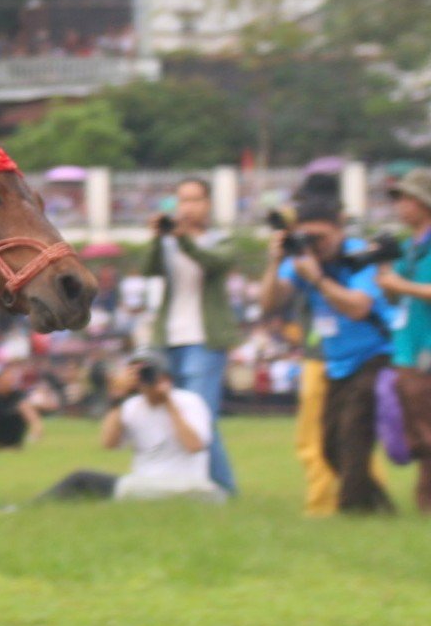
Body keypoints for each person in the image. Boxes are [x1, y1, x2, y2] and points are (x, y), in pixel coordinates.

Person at [259, 191, 396, 514]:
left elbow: (359, 307)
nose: (315, 244)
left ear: (340, 231)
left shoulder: (361, 255)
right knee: (329, 448)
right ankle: (379, 508)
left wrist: (318, 279)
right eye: (307, 236)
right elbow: (269, 304)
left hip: (376, 356)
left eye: (321, 237)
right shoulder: (304, 259)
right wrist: (275, 262)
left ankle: (353, 512)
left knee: (352, 436)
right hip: (338, 364)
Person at [142, 177, 239, 495]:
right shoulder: (170, 241)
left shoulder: (221, 240)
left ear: (208, 203)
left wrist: (183, 240)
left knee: (200, 415)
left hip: (205, 339)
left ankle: (222, 487)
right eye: (182, 200)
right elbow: (149, 269)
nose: (188, 207)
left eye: (195, 200)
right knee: (173, 415)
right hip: (169, 337)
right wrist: (158, 238)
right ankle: (190, 484)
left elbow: (215, 263)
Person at [40, 354, 226, 503]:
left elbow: (195, 446)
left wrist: (168, 402)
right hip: (144, 483)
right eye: (135, 373)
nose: (143, 379)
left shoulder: (188, 401)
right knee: (81, 480)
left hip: (186, 484)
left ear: (165, 376)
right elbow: (108, 444)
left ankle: (29, 508)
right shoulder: (130, 406)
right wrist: (116, 398)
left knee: (82, 479)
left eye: (147, 373)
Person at [371, 167, 431, 512]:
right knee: (419, 434)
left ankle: (426, 505)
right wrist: (383, 271)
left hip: (426, 348)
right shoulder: (408, 247)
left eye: (408, 197)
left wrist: (401, 286)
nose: (401, 205)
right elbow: (396, 299)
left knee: (426, 434)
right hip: (408, 349)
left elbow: (408, 291)